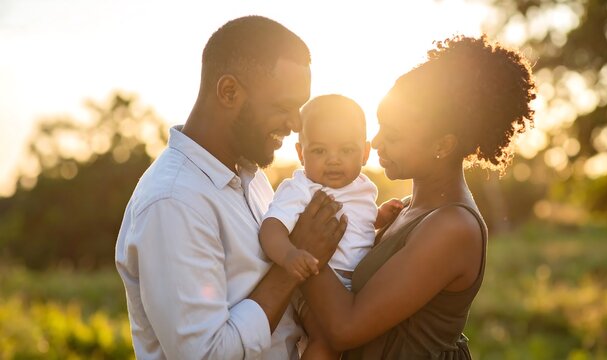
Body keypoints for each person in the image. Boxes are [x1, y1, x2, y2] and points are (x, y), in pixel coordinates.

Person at [115, 16, 347, 359]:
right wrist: (292, 263)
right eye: (284, 106)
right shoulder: (173, 201)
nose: (296, 124)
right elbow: (206, 355)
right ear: (228, 91)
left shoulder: (253, 180)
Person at [299, 35, 537, 359]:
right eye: (380, 125)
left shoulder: (452, 227)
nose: (377, 141)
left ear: (442, 145)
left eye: (393, 135)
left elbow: (346, 328)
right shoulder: (406, 208)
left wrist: (304, 249)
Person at [259, 94, 403, 359]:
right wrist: (290, 254)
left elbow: (359, 223)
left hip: (354, 290)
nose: (333, 160)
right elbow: (270, 228)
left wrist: (381, 216)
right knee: (326, 342)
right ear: (301, 153)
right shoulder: (301, 189)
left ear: (365, 153)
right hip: (314, 289)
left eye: (346, 150)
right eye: (319, 151)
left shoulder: (363, 186)